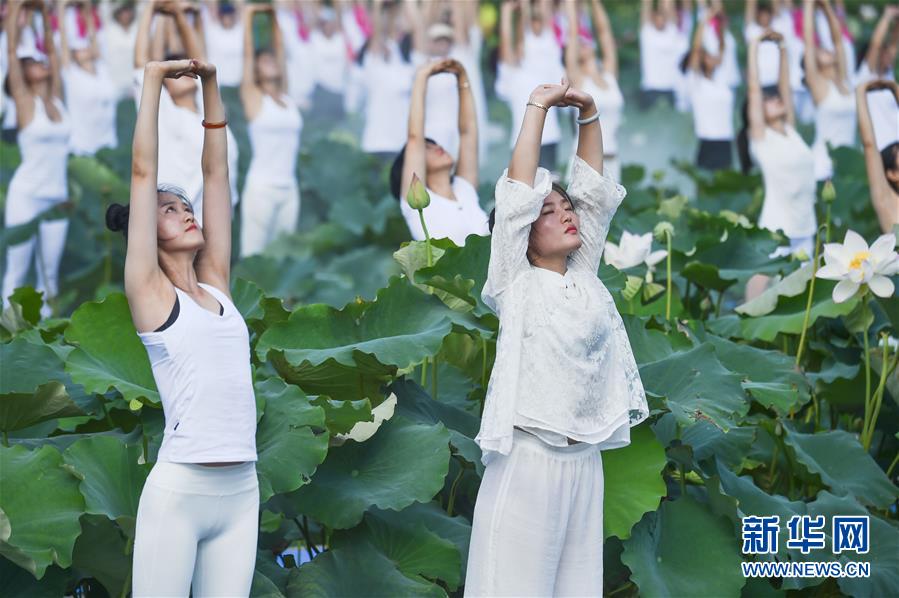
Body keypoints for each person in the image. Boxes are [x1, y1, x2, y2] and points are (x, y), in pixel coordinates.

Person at [464, 77, 649, 596]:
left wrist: (588, 111)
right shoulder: (514, 279)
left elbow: (592, 189)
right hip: (530, 464)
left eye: (565, 208)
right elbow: (518, 191)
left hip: (584, 466)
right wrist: (539, 106)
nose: (565, 212)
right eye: (549, 211)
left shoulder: (583, 276)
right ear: (522, 233)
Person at [107, 57, 258, 597]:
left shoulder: (215, 282)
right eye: (169, 211)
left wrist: (211, 87)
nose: (186, 212)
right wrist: (152, 81)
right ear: (148, 232)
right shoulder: (149, 293)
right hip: (181, 489)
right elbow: (143, 172)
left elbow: (216, 174)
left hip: (243, 488)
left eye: (185, 206)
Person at [133, 0, 239, 223]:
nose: (183, 74)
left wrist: (180, 15)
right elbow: (141, 64)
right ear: (164, 86)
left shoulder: (206, 109)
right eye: (175, 74)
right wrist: (150, 9)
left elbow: (199, 60)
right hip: (183, 221)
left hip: (217, 220)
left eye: (185, 70)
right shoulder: (165, 113)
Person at [2, 0, 71, 316]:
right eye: (32, 62)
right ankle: (7, 336)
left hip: (56, 195)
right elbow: (13, 53)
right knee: (16, 273)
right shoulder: (25, 103)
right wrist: (15, 8)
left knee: (50, 278)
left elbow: (54, 54)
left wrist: (45, 14)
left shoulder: (55, 98)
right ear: (23, 75)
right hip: (27, 195)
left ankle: (47, 339)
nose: (39, 62)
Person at [741, 32, 817, 299]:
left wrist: (783, 47)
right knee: (758, 290)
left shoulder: (790, 129)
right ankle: (742, 331)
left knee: (804, 296)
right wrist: (755, 46)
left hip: (806, 223)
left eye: (777, 98)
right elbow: (754, 87)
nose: (776, 99)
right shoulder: (762, 137)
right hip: (778, 226)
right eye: (768, 99)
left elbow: (785, 85)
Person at [390, 58, 488, 246]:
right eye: (426, 147)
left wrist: (462, 77)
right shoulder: (415, 205)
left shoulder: (464, 188)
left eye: (434, 144)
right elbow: (414, 137)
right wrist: (422, 76)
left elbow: (468, 131)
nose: (437, 147)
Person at [239, 4, 302, 257]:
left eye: (272, 59)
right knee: (255, 256)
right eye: (264, 60)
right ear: (256, 69)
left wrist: (274, 18)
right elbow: (246, 55)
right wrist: (248, 17)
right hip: (262, 188)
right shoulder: (254, 97)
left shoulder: (287, 98)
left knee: (283, 257)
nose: (272, 62)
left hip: (289, 187)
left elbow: (281, 51)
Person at [495, 0, 562, 172]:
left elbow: (545, 25)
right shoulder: (511, 75)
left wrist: (527, 6)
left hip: (549, 138)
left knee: (552, 189)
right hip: (520, 142)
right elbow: (507, 40)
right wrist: (506, 12)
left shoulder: (545, 68)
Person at [562, 0, 623, 182]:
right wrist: (571, 5)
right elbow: (572, 32)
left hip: (612, 160)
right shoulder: (577, 79)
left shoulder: (610, 76)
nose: (583, 43)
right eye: (579, 44)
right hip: (584, 163)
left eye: (585, 42)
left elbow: (605, 33)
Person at [803, 0, 855, 182]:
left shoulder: (844, 80)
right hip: (823, 165)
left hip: (846, 165)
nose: (826, 49)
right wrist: (809, 5)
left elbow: (838, 40)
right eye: (821, 51)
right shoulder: (818, 84)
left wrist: (826, 7)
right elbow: (809, 41)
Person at [57, 0, 118, 155]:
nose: (84, 47)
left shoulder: (103, 70)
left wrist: (86, 7)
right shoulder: (71, 74)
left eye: (86, 45)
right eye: (78, 48)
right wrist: (62, 7)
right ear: (73, 55)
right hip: (82, 146)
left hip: (108, 142)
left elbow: (93, 35)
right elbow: (63, 40)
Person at [683, 5, 734, 171]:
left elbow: (723, 47)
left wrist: (719, 21)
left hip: (726, 141)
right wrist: (704, 21)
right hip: (707, 141)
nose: (712, 57)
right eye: (707, 55)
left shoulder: (722, 80)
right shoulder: (696, 82)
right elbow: (696, 50)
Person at [857, 79, 899, 234]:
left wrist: (895, 89)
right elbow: (869, 145)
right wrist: (860, 91)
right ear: (892, 174)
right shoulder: (887, 200)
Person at [855, 6, 898, 151]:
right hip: (879, 146)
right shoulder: (866, 75)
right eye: (884, 53)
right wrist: (887, 16)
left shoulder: (888, 74)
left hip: (895, 142)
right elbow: (876, 44)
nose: (889, 56)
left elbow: (894, 44)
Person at [639, 0, 686, 109]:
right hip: (651, 86)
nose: (660, 21)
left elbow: (668, 6)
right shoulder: (647, 33)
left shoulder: (672, 31)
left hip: (671, 87)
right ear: (652, 19)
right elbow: (646, 7)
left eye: (663, 18)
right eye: (657, 18)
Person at [100, 0, 138, 100]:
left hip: (135, 81)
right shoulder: (109, 28)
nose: (125, 15)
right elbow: (104, 6)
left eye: (127, 11)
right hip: (114, 83)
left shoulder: (137, 27)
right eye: (122, 12)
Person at [202, 0, 244, 88]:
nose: (227, 17)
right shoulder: (212, 30)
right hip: (218, 84)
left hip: (240, 84)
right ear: (220, 15)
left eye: (230, 14)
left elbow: (241, 6)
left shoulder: (240, 29)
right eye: (224, 14)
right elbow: (211, 5)